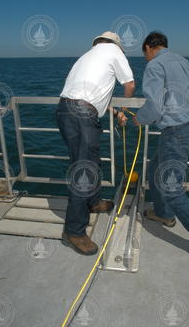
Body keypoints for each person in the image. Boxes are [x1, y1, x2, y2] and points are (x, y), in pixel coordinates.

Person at [132, 31, 189, 261]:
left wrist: (139, 119)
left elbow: (154, 106)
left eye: (144, 53)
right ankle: (164, 214)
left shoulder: (155, 65)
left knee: (170, 188)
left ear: (148, 48)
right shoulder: (182, 61)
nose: (145, 57)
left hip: (175, 132)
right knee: (156, 168)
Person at [56, 31, 135, 255]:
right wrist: (123, 111)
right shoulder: (114, 51)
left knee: (87, 163)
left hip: (65, 110)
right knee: (85, 171)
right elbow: (129, 84)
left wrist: (110, 110)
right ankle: (74, 232)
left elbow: (90, 95)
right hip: (82, 115)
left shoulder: (87, 56)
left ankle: (93, 201)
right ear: (117, 45)